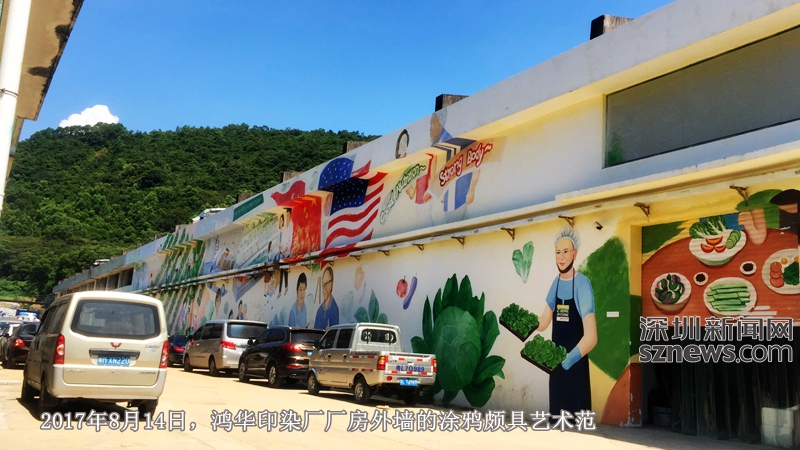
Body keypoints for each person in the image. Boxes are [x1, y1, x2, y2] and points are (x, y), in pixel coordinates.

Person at [536, 226, 597, 418]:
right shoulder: (555, 284)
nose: (561, 258)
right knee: (557, 419)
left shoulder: (582, 284)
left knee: (577, 421)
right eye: (557, 253)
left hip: (575, 363)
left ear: (575, 254)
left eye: (565, 252)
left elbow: (591, 337)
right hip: (555, 364)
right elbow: (543, 322)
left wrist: (570, 359)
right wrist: (525, 324)